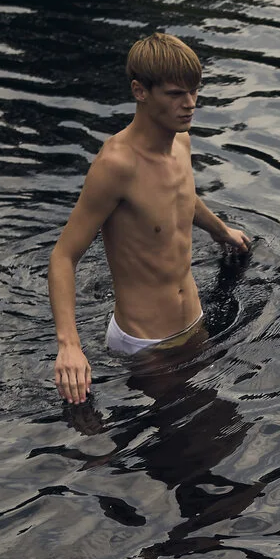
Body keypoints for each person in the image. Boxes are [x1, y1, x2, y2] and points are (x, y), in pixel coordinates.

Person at [50, 33, 250, 403]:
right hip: (148, 345)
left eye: (194, 92)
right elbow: (63, 257)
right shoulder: (117, 165)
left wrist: (221, 231)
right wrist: (69, 346)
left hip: (193, 323)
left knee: (215, 428)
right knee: (180, 449)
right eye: (175, 94)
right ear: (140, 91)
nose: (189, 104)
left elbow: (182, 200)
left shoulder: (181, 142)